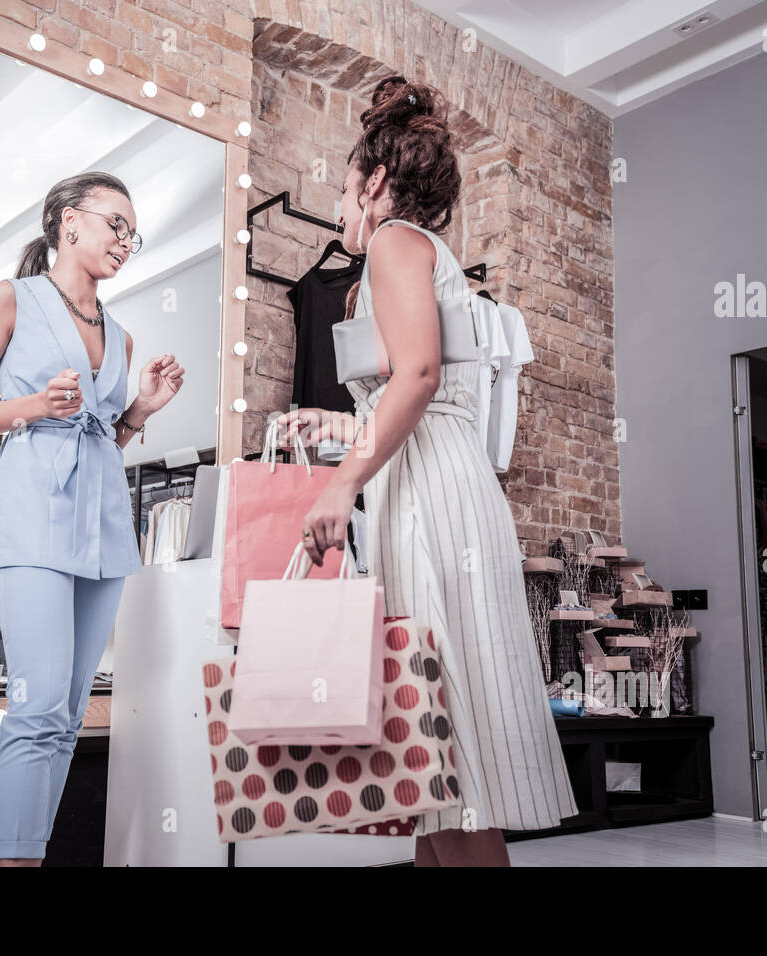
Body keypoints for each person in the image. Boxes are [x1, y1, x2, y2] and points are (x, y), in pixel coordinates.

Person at [275, 76, 578, 866]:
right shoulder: (411, 255)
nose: (341, 207)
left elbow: (418, 379)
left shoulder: (394, 243)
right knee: (430, 744)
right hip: (423, 478)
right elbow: (413, 397)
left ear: (374, 183)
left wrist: (340, 483)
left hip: (431, 491)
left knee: (448, 731)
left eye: (344, 188)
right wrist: (341, 428)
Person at [0, 171, 184, 866]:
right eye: (117, 225)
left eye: (134, 233)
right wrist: (30, 407)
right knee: (37, 702)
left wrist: (139, 412)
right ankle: (9, 859)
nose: (126, 242)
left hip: (106, 533)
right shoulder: (9, 299)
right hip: (34, 521)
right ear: (68, 222)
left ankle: (28, 854)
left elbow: (105, 440)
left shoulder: (124, 338)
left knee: (68, 717)